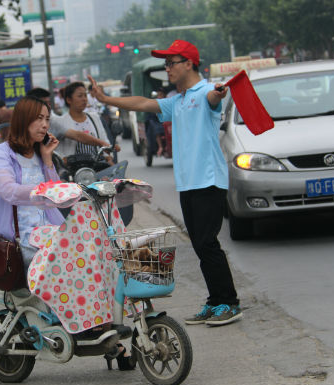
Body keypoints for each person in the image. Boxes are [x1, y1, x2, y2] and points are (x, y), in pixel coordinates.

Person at [89, 39, 242, 326]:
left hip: (208, 181)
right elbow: (143, 103)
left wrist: (218, 95)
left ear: (188, 63)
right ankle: (215, 300)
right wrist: (106, 100)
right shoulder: (179, 99)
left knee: (207, 243)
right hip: (188, 184)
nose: (167, 69)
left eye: (171, 63)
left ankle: (229, 302)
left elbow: (214, 98)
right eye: (165, 64)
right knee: (199, 244)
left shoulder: (205, 91)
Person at [0, 96, 63, 273]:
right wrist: (45, 191)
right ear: (23, 120)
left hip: (46, 232)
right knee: (58, 267)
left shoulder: (40, 153)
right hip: (17, 237)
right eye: (39, 118)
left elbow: (57, 197)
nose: (45, 125)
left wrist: (47, 158)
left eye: (47, 119)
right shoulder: (0, 153)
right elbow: (9, 191)